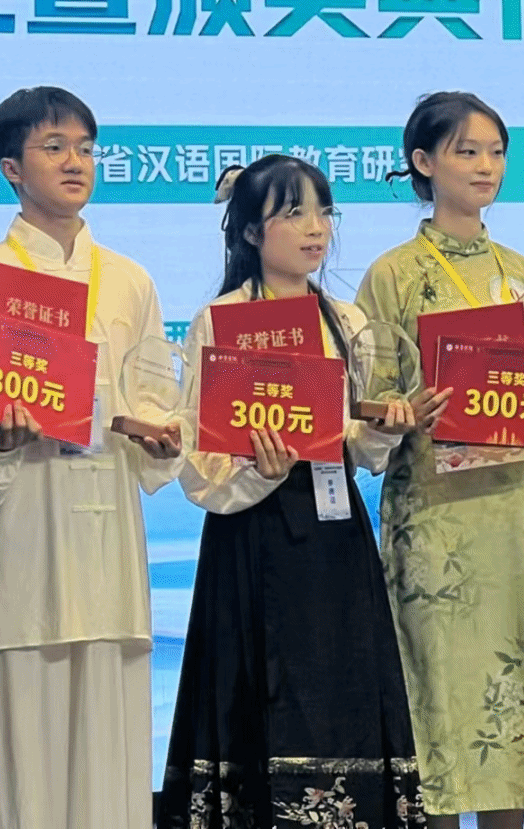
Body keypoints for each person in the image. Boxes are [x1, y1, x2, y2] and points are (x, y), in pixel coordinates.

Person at [0, 87, 184, 829]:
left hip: (108, 542)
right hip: (22, 536)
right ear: (11, 166)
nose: (75, 162)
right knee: (23, 761)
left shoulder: (129, 279)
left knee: (111, 756)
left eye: (85, 148)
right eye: (54, 147)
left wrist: (163, 435)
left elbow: (157, 398)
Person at [160, 154, 435, 829]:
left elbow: (358, 445)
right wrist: (258, 470)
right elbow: (198, 455)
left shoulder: (346, 320)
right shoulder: (219, 321)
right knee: (258, 695)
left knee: (340, 690)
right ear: (252, 231)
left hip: (334, 534)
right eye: (294, 213)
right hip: (251, 532)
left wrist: (388, 426)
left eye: (323, 212)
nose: (316, 228)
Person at [356, 92, 524, 828]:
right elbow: (369, 397)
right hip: (435, 517)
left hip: (514, 510)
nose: (486, 166)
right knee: (440, 698)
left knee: (516, 695)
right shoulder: (391, 275)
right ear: (423, 162)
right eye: (467, 151)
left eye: (496, 151)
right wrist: (401, 410)